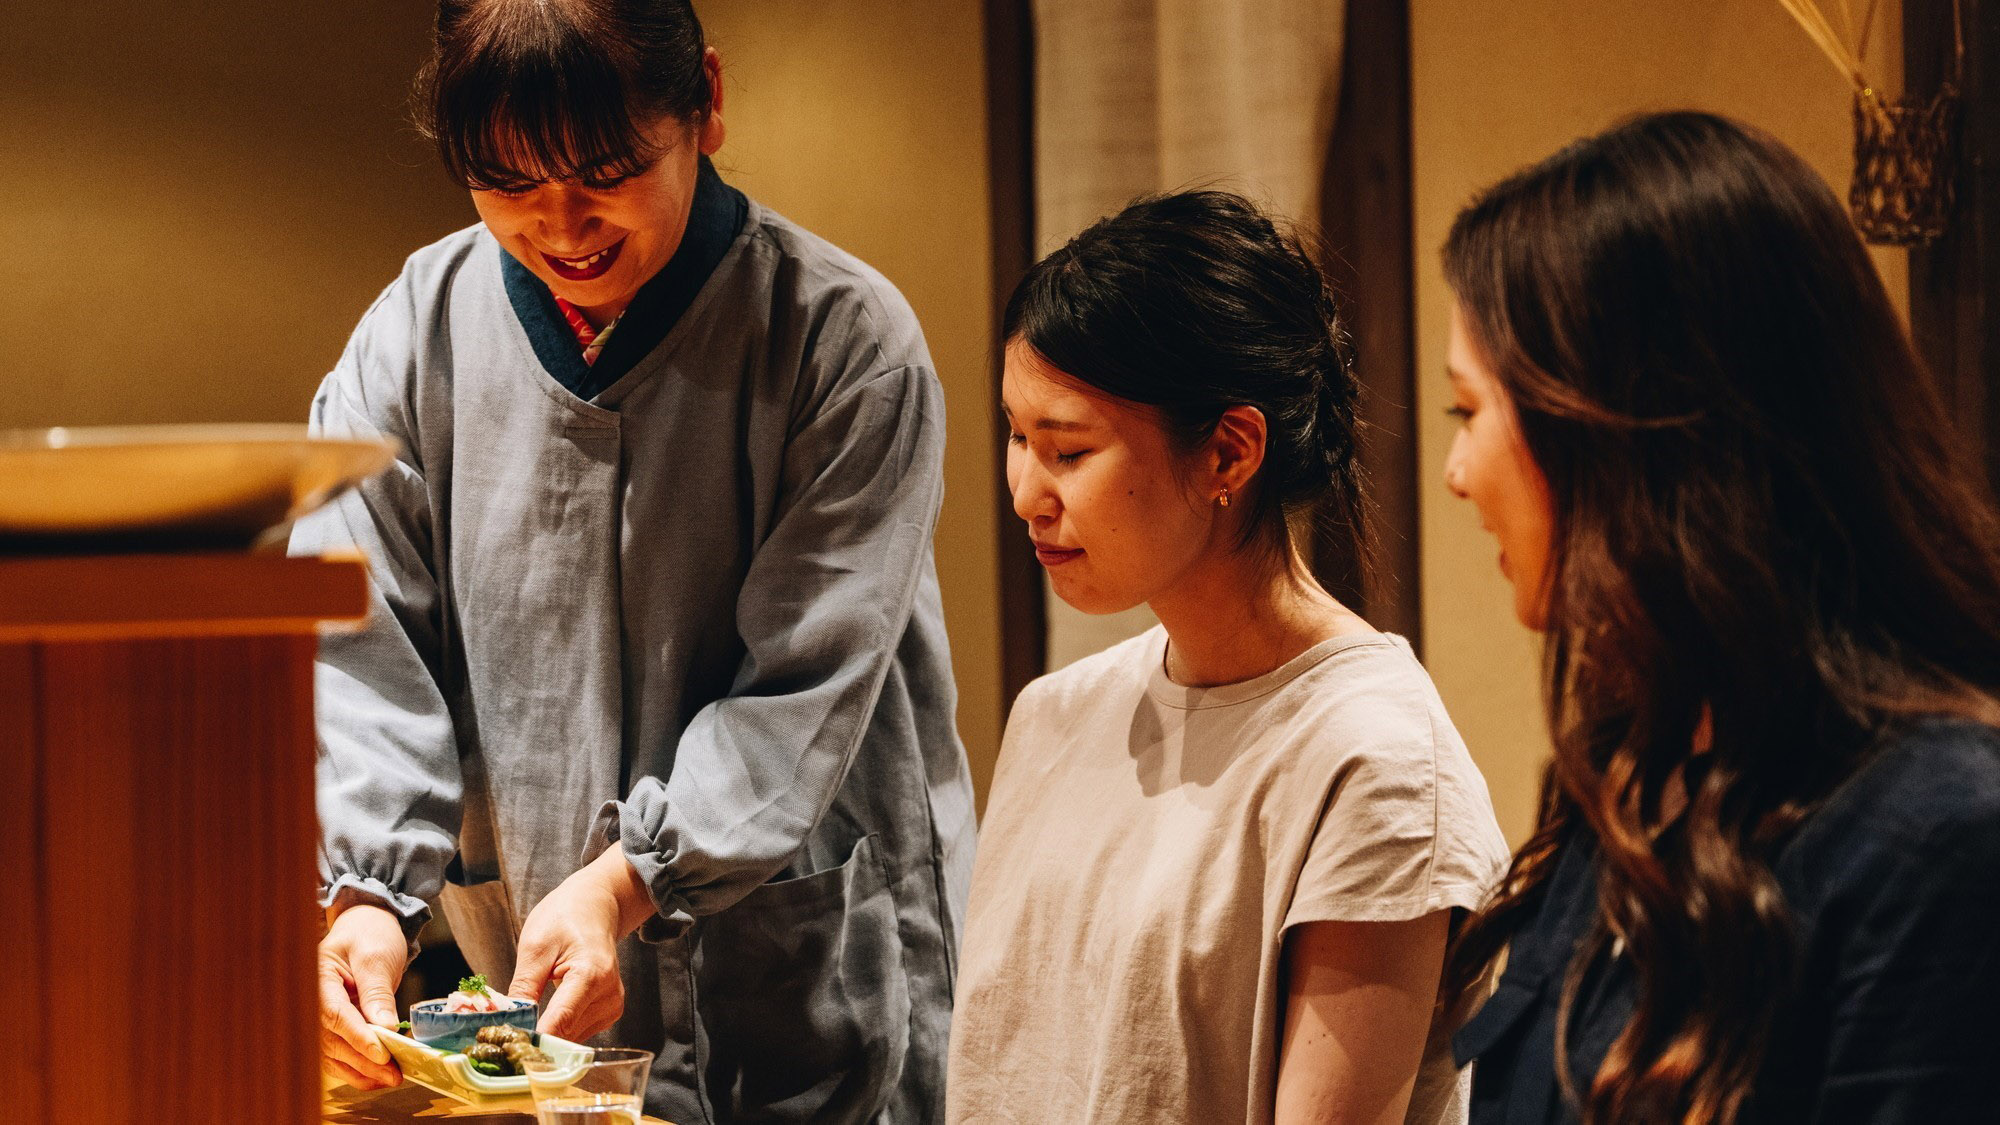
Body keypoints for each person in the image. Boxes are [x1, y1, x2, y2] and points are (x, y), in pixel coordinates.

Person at [295, 2, 976, 1120]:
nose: (563, 227)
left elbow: (802, 686)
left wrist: (628, 883)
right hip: (531, 980)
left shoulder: (841, 342)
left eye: (606, 171)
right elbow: (363, 641)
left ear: (705, 103)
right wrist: (369, 898)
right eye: (509, 185)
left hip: (805, 975)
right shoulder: (411, 337)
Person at [1439, 111, 2000, 1123]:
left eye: (1469, 411)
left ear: (1626, 432)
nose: (1455, 473)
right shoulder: (1628, 775)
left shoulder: (1937, 838)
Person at [948, 190, 1509, 1124]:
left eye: (1069, 449)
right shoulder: (1053, 714)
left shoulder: (1376, 763)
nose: (1025, 493)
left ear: (1229, 452)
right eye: (1016, 436)